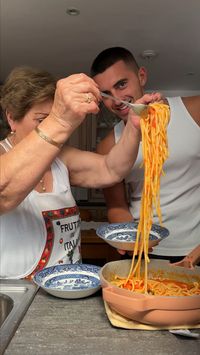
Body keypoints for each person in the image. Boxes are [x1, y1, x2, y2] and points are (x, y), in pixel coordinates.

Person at [0, 66, 159, 279]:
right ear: (12, 118)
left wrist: (133, 126)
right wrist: (59, 120)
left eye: (52, 117)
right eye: (41, 120)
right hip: (19, 295)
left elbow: (111, 169)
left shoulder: (60, 157)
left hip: (70, 287)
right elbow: (4, 193)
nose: (50, 128)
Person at [90, 46, 200, 265]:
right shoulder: (109, 145)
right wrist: (131, 240)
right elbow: (117, 206)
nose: (117, 100)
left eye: (121, 84)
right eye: (106, 94)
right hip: (145, 253)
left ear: (141, 76)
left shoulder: (194, 110)